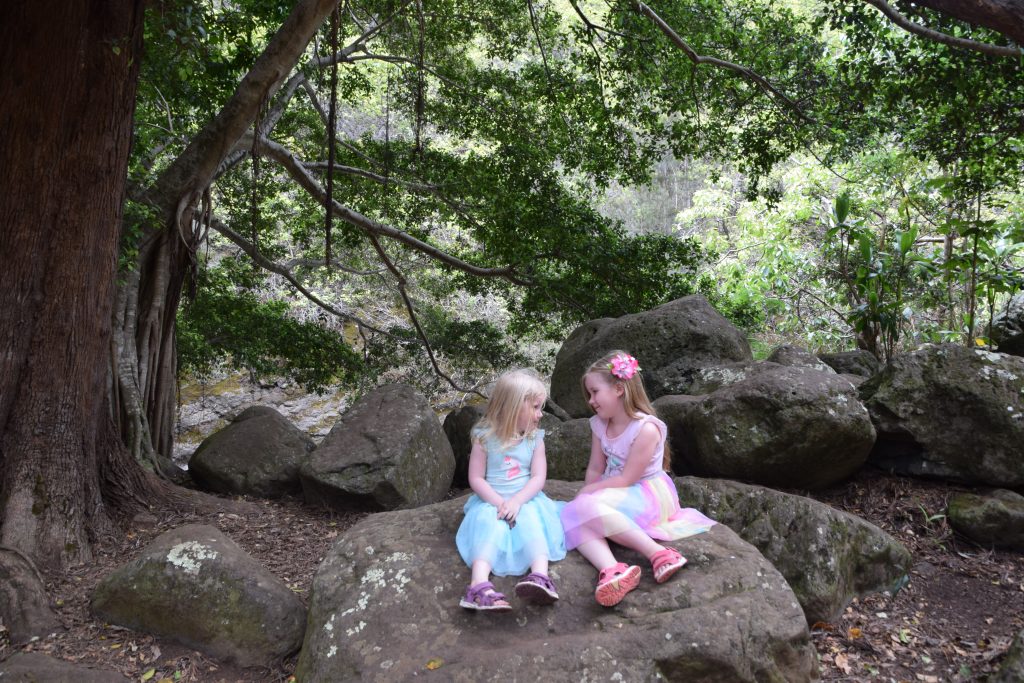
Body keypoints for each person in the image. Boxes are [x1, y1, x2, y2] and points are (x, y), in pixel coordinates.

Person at [560, 350, 715, 607]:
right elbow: (596, 467)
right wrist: (588, 491)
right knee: (573, 513)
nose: (591, 401)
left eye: (595, 392)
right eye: (589, 394)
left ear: (619, 389)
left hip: (646, 493)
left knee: (582, 508)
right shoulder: (599, 424)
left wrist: (589, 497)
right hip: (616, 490)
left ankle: (659, 554)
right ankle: (612, 571)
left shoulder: (646, 428)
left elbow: (627, 478)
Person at [455, 369, 566, 611]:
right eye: (535, 407)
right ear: (514, 407)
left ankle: (540, 576)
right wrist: (498, 503)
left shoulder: (534, 439)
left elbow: (538, 477)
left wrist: (517, 501)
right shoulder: (484, 438)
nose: (540, 414)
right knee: (489, 526)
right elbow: (476, 478)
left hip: (526, 499)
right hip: (491, 500)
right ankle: (478, 586)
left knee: (532, 522)